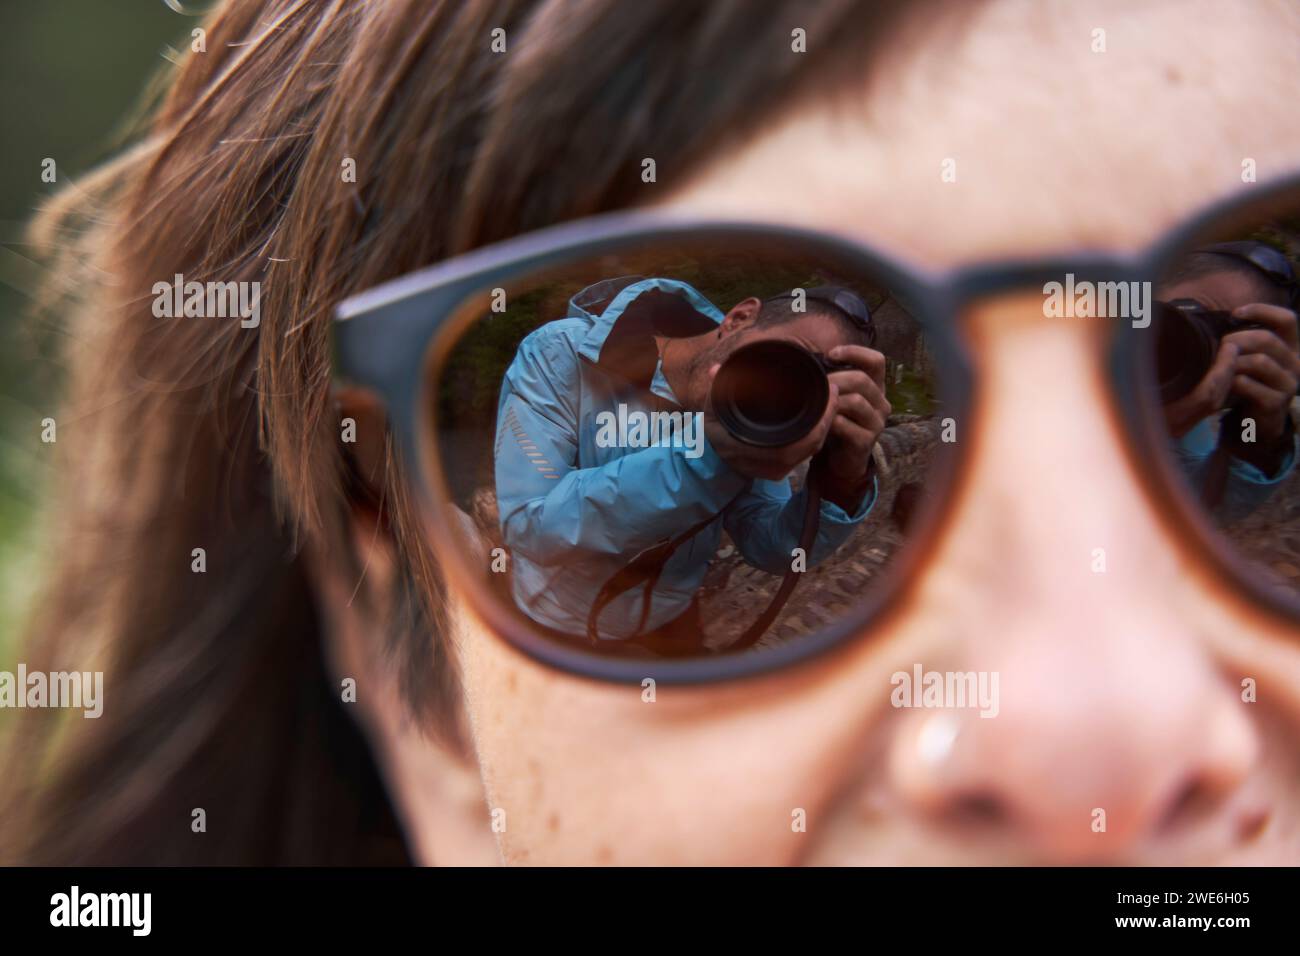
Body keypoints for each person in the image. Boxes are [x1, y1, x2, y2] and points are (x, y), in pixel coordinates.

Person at [3, 0, 1300, 867]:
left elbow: (800, 540)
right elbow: (557, 525)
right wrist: (723, 452)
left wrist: (843, 468)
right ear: (418, 705)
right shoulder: (557, 369)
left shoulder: (781, 383)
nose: (1095, 724)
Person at [493, 277, 886, 648]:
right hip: (558, 619)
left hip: (673, 619)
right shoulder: (560, 354)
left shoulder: (765, 416)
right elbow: (531, 527)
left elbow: (770, 545)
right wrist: (706, 456)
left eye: (799, 382)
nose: (771, 386)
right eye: (777, 359)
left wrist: (841, 480)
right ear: (738, 318)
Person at [1157, 243, 1300, 518]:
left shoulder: (1188, 397)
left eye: (1222, 339)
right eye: (1176, 319)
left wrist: (1255, 436)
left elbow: (1205, 507)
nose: (1179, 349)